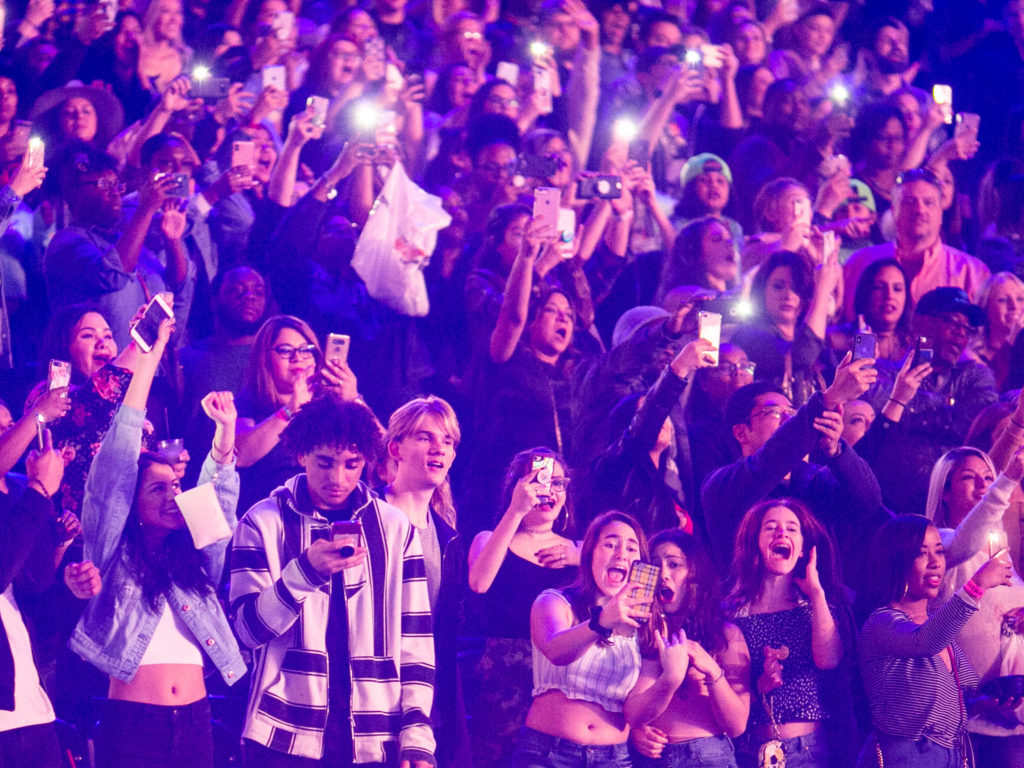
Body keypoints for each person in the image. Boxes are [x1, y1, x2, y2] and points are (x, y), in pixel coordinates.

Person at [68, 317, 245, 768]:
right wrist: (150, 353)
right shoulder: (112, 550)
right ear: (132, 500)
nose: (172, 496)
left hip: (196, 721)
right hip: (133, 723)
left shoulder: (195, 559)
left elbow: (219, 504)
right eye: (156, 489)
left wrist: (225, 437)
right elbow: (120, 452)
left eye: (175, 487)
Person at [230, 392, 435, 766]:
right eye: (325, 463)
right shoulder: (262, 522)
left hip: (376, 737)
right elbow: (245, 632)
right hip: (283, 734)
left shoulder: (394, 528)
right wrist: (304, 573)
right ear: (301, 455)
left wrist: (417, 735)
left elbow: (416, 642)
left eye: (351, 464)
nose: (337, 478)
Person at [856, 514, 1014, 767]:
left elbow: (953, 702)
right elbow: (923, 643)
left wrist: (985, 703)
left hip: (951, 755)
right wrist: (977, 585)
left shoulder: (938, 627)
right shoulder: (882, 622)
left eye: (939, 552)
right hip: (907, 757)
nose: (935, 563)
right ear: (896, 562)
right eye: (921, 553)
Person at [509, 510, 651, 768]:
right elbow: (556, 650)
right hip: (549, 753)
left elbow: (637, 706)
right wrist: (601, 621)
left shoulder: (644, 625)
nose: (621, 554)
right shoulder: (553, 601)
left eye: (632, 549)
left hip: (614, 758)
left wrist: (672, 679)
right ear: (589, 554)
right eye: (610, 544)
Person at [466, 447, 579, 767]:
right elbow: (479, 583)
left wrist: (580, 554)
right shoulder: (490, 538)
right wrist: (516, 511)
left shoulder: (581, 549)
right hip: (504, 681)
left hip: (561, 680)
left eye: (558, 482)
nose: (549, 490)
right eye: (539, 480)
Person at [379, 396, 471, 768]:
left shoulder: (448, 537)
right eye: (425, 438)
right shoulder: (370, 518)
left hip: (431, 697)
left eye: (447, 441)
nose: (438, 449)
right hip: (375, 692)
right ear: (395, 448)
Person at [724, 499, 849, 768]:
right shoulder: (733, 612)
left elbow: (829, 659)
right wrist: (761, 685)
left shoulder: (818, 604)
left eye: (792, 529)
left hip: (808, 750)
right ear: (754, 541)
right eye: (771, 528)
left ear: (803, 547)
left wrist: (816, 592)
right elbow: (726, 691)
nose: (782, 534)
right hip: (750, 748)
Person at [923, 446, 1024, 766]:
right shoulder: (941, 548)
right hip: (977, 728)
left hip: (1015, 727)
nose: (984, 486)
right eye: (970, 478)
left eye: (988, 478)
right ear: (945, 493)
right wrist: (1007, 479)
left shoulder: (1002, 553)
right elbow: (964, 543)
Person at [861, 287, 999, 515]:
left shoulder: (975, 377)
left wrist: (902, 402)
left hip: (956, 509)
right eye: (952, 322)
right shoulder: (884, 373)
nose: (960, 334)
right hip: (891, 507)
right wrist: (947, 402)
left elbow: (974, 425)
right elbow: (872, 401)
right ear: (919, 323)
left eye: (966, 328)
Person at [625, 529, 751, 767]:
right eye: (654, 564)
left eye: (674, 564)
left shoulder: (724, 634)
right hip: (652, 758)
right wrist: (634, 731)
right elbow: (629, 711)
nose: (663, 573)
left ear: (695, 574)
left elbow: (737, 725)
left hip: (708, 755)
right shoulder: (635, 631)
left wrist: (712, 671)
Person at [235, 315, 361, 511]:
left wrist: (354, 401)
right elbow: (241, 455)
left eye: (306, 350)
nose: (298, 358)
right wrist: (290, 411)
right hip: (268, 513)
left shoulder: (331, 400)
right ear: (265, 358)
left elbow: (385, 450)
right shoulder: (250, 400)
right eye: (285, 351)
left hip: (324, 512)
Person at [0, 425, 68, 768]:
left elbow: (36, 600)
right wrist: (39, 490)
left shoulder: (14, 503)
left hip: (32, 709)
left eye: (13, 426)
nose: (14, 434)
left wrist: (72, 593)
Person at [843, 169, 991, 321]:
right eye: (909, 202)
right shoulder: (860, 262)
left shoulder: (973, 272)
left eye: (928, 203)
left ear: (941, 212)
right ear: (894, 211)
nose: (920, 210)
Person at [828, 257, 913, 364]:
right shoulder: (837, 341)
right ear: (865, 293)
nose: (889, 295)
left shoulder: (913, 344)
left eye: (897, 289)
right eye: (879, 287)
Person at [965, 272, 1024, 392]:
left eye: (1020, 299)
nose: (1014, 306)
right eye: (1002, 300)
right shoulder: (971, 354)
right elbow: (996, 390)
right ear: (985, 307)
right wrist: (1012, 339)